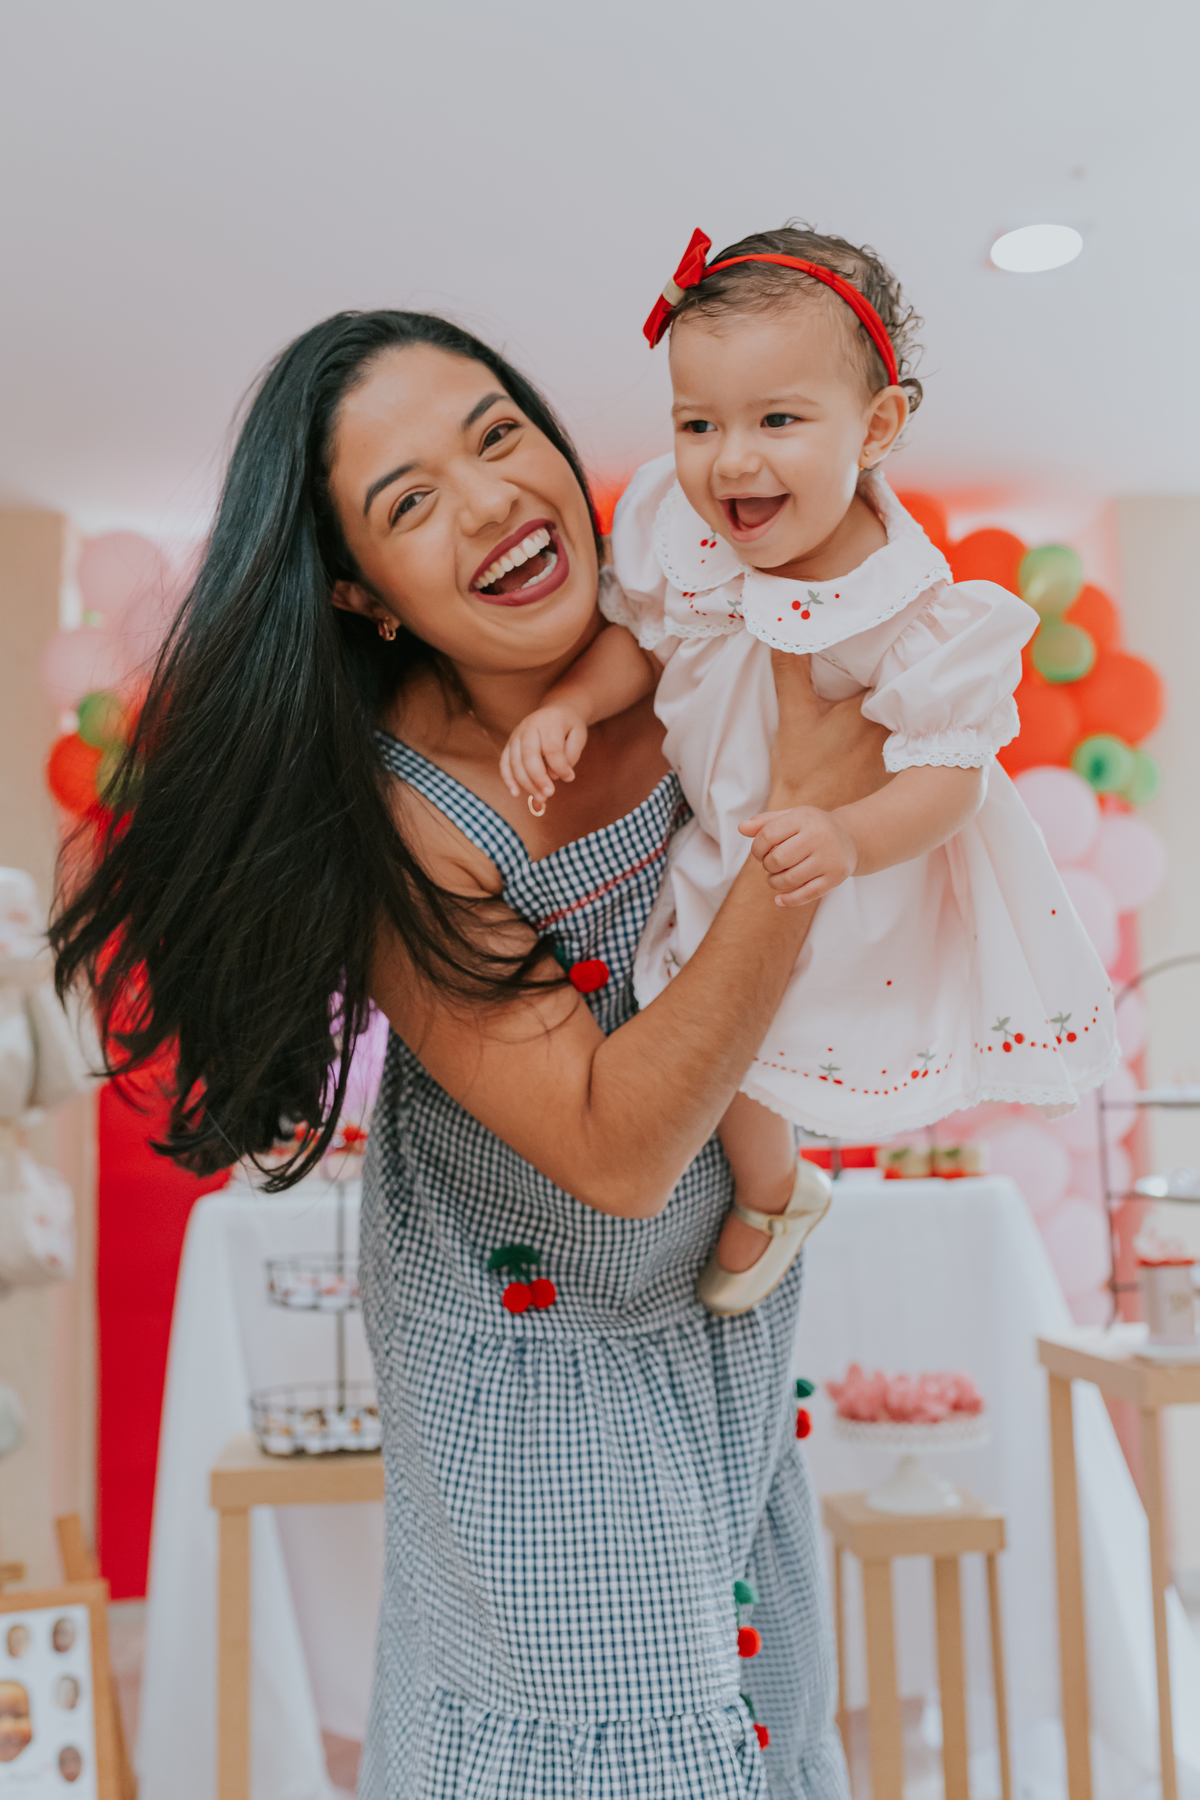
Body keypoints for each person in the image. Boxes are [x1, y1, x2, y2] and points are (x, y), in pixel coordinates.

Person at [52, 308, 891, 1798]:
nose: (492, 499)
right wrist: (799, 839)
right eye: (409, 500)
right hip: (534, 1345)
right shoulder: (409, 815)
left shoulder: (684, 625)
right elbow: (619, 1148)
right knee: (613, 1736)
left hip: (714, 1324)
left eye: (497, 433)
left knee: (754, 1709)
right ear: (366, 594)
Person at [498, 224, 1118, 1315]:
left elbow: (950, 778)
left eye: (778, 420)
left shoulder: (911, 612)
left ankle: (767, 1192)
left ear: (876, 428)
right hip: (724, 840)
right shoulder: (680, 535)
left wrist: (846, 837)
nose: (730, 459)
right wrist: (567, 706)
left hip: (850, 871)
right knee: (707, 1018)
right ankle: (776, 1188)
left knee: (772, 1027)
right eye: (698, 423)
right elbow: (634, 645)